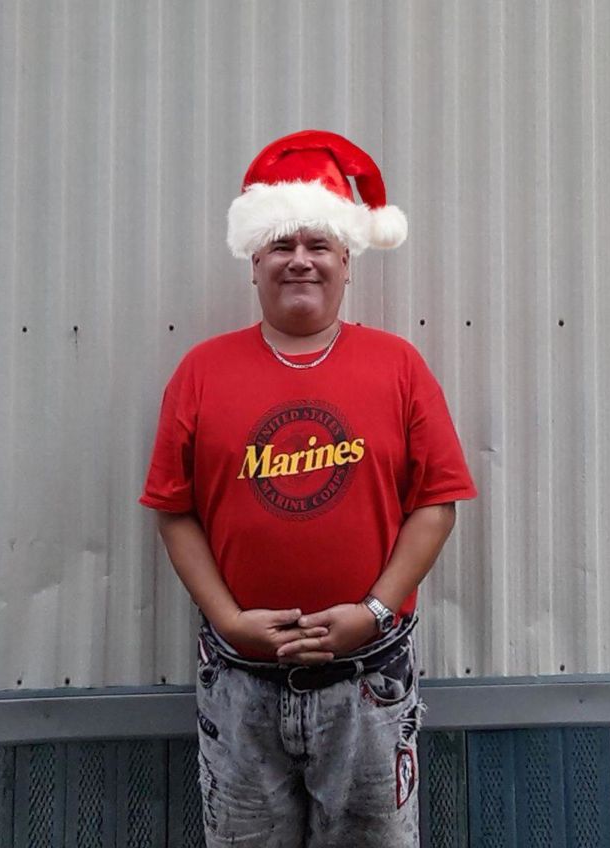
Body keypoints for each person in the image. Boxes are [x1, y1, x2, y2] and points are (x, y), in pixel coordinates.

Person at [140, 129, 477, 847]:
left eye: (319, 244)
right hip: (239, 684)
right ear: (253, 263)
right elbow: (174, 512)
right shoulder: (201, 372)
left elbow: (436, 504)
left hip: (368, 683)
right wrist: (230, 619)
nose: (300, 259)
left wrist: (373, 612)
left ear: (346, 261)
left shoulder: (399, 366)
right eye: (280, 244)